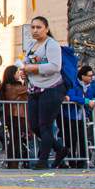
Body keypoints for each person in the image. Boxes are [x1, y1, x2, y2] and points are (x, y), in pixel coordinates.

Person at [20, 16, 68, 169]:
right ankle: (60, 149)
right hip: (34, 88)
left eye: (38, 27)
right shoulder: (31, 46)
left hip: (51, 88)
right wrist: (24, 73)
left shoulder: (52, 44)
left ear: (46, 29)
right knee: (34, 126)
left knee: (45, 125)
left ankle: (43, 160)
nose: (35, 30)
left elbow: (55, 66)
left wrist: (32, 69)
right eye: (33, 27)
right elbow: (27, 65)